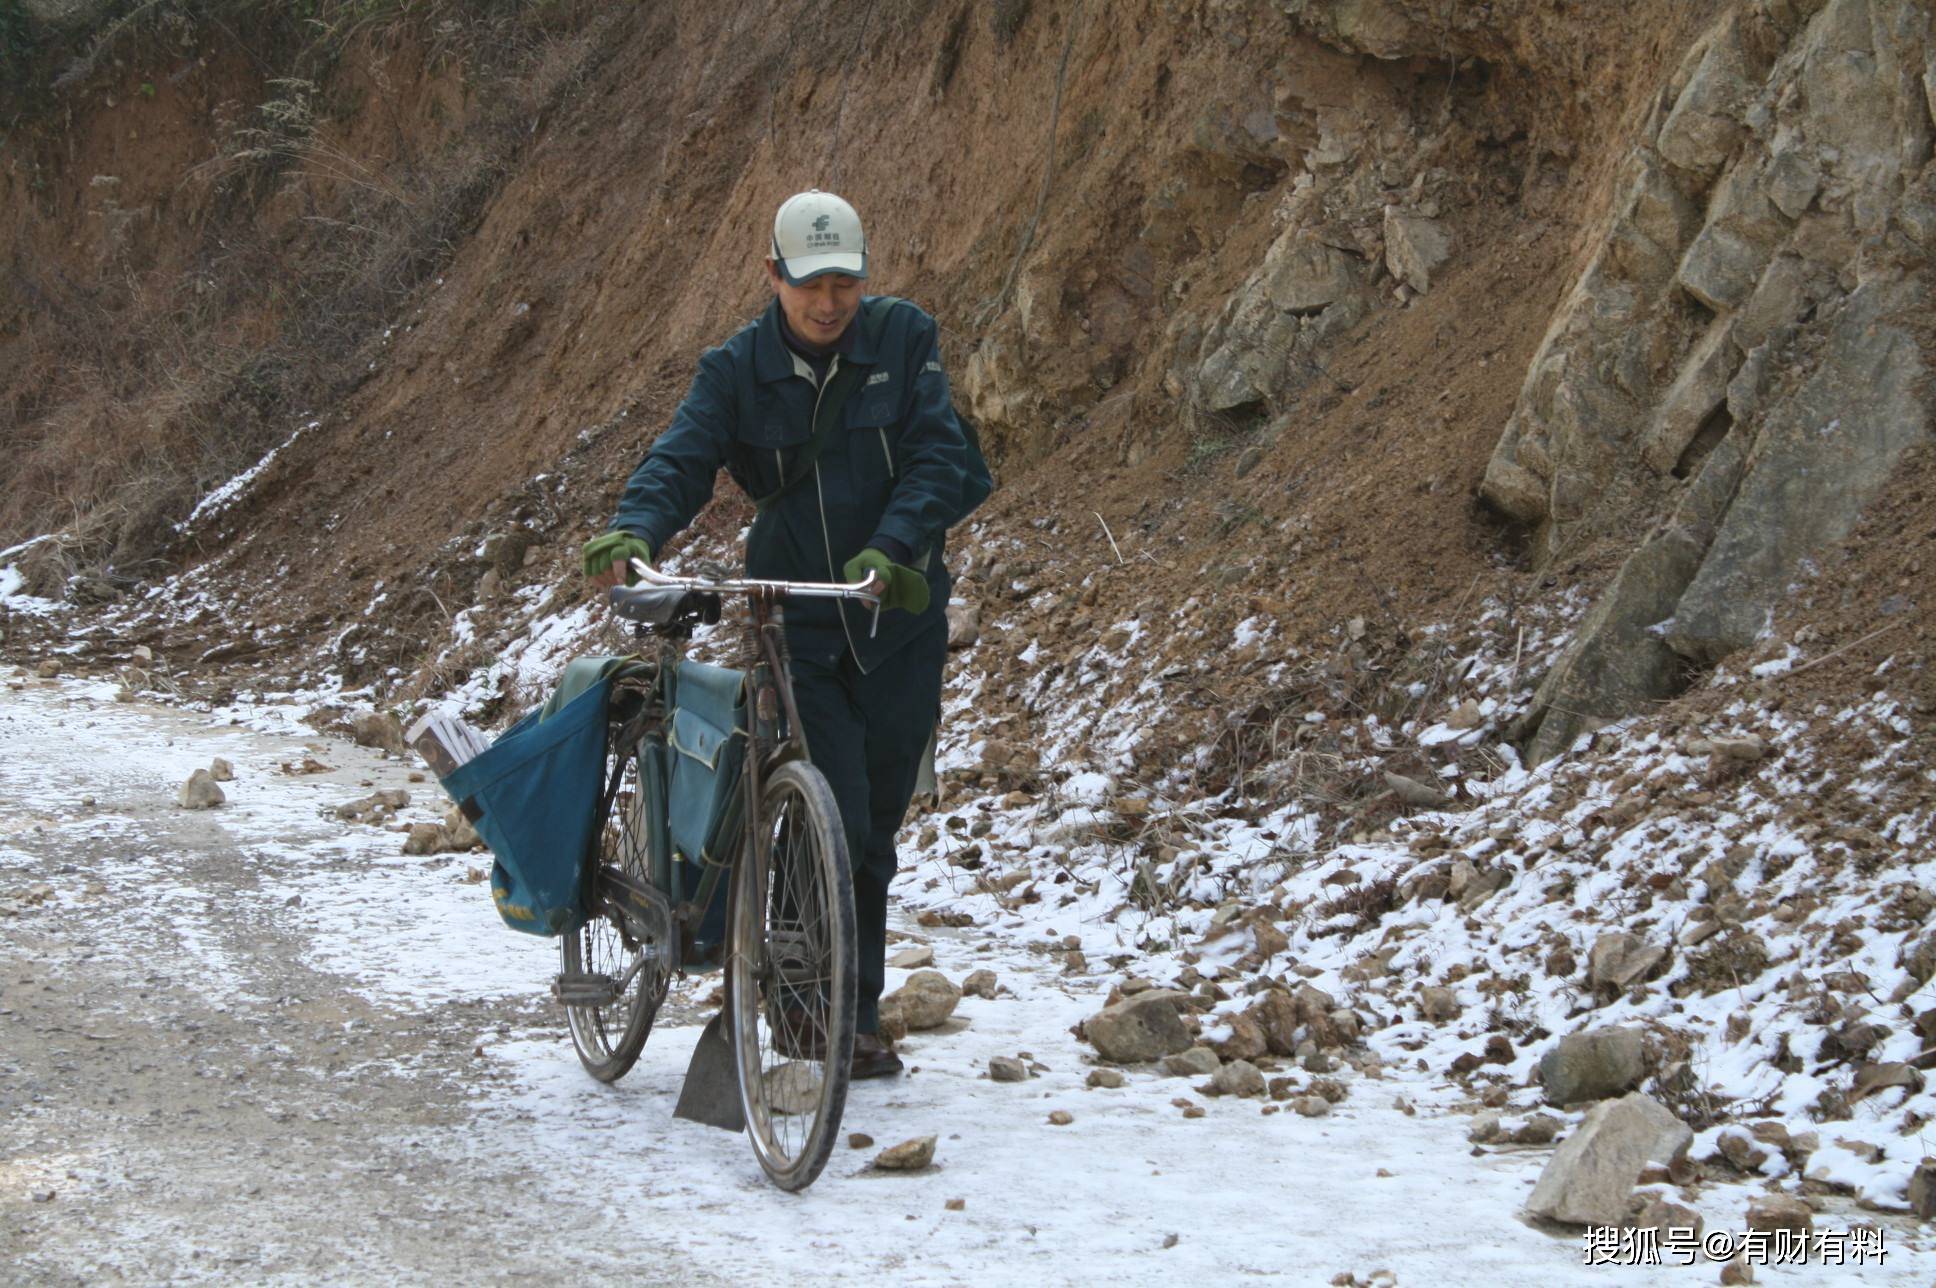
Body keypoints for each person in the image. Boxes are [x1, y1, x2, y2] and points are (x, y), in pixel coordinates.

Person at [582, 189, 984, 1080]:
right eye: (811, 285)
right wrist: (636, 527)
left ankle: (856, 1008)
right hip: (797, 618)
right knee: (826, 806)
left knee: (874, 825)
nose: (830, 302)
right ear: (774, 276)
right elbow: (684, 455)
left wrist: (891, 550)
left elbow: (937, 458)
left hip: (898, 615)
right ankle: (809, 1014)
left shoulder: (905, 340)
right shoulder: (737, 369)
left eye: (845, 282)